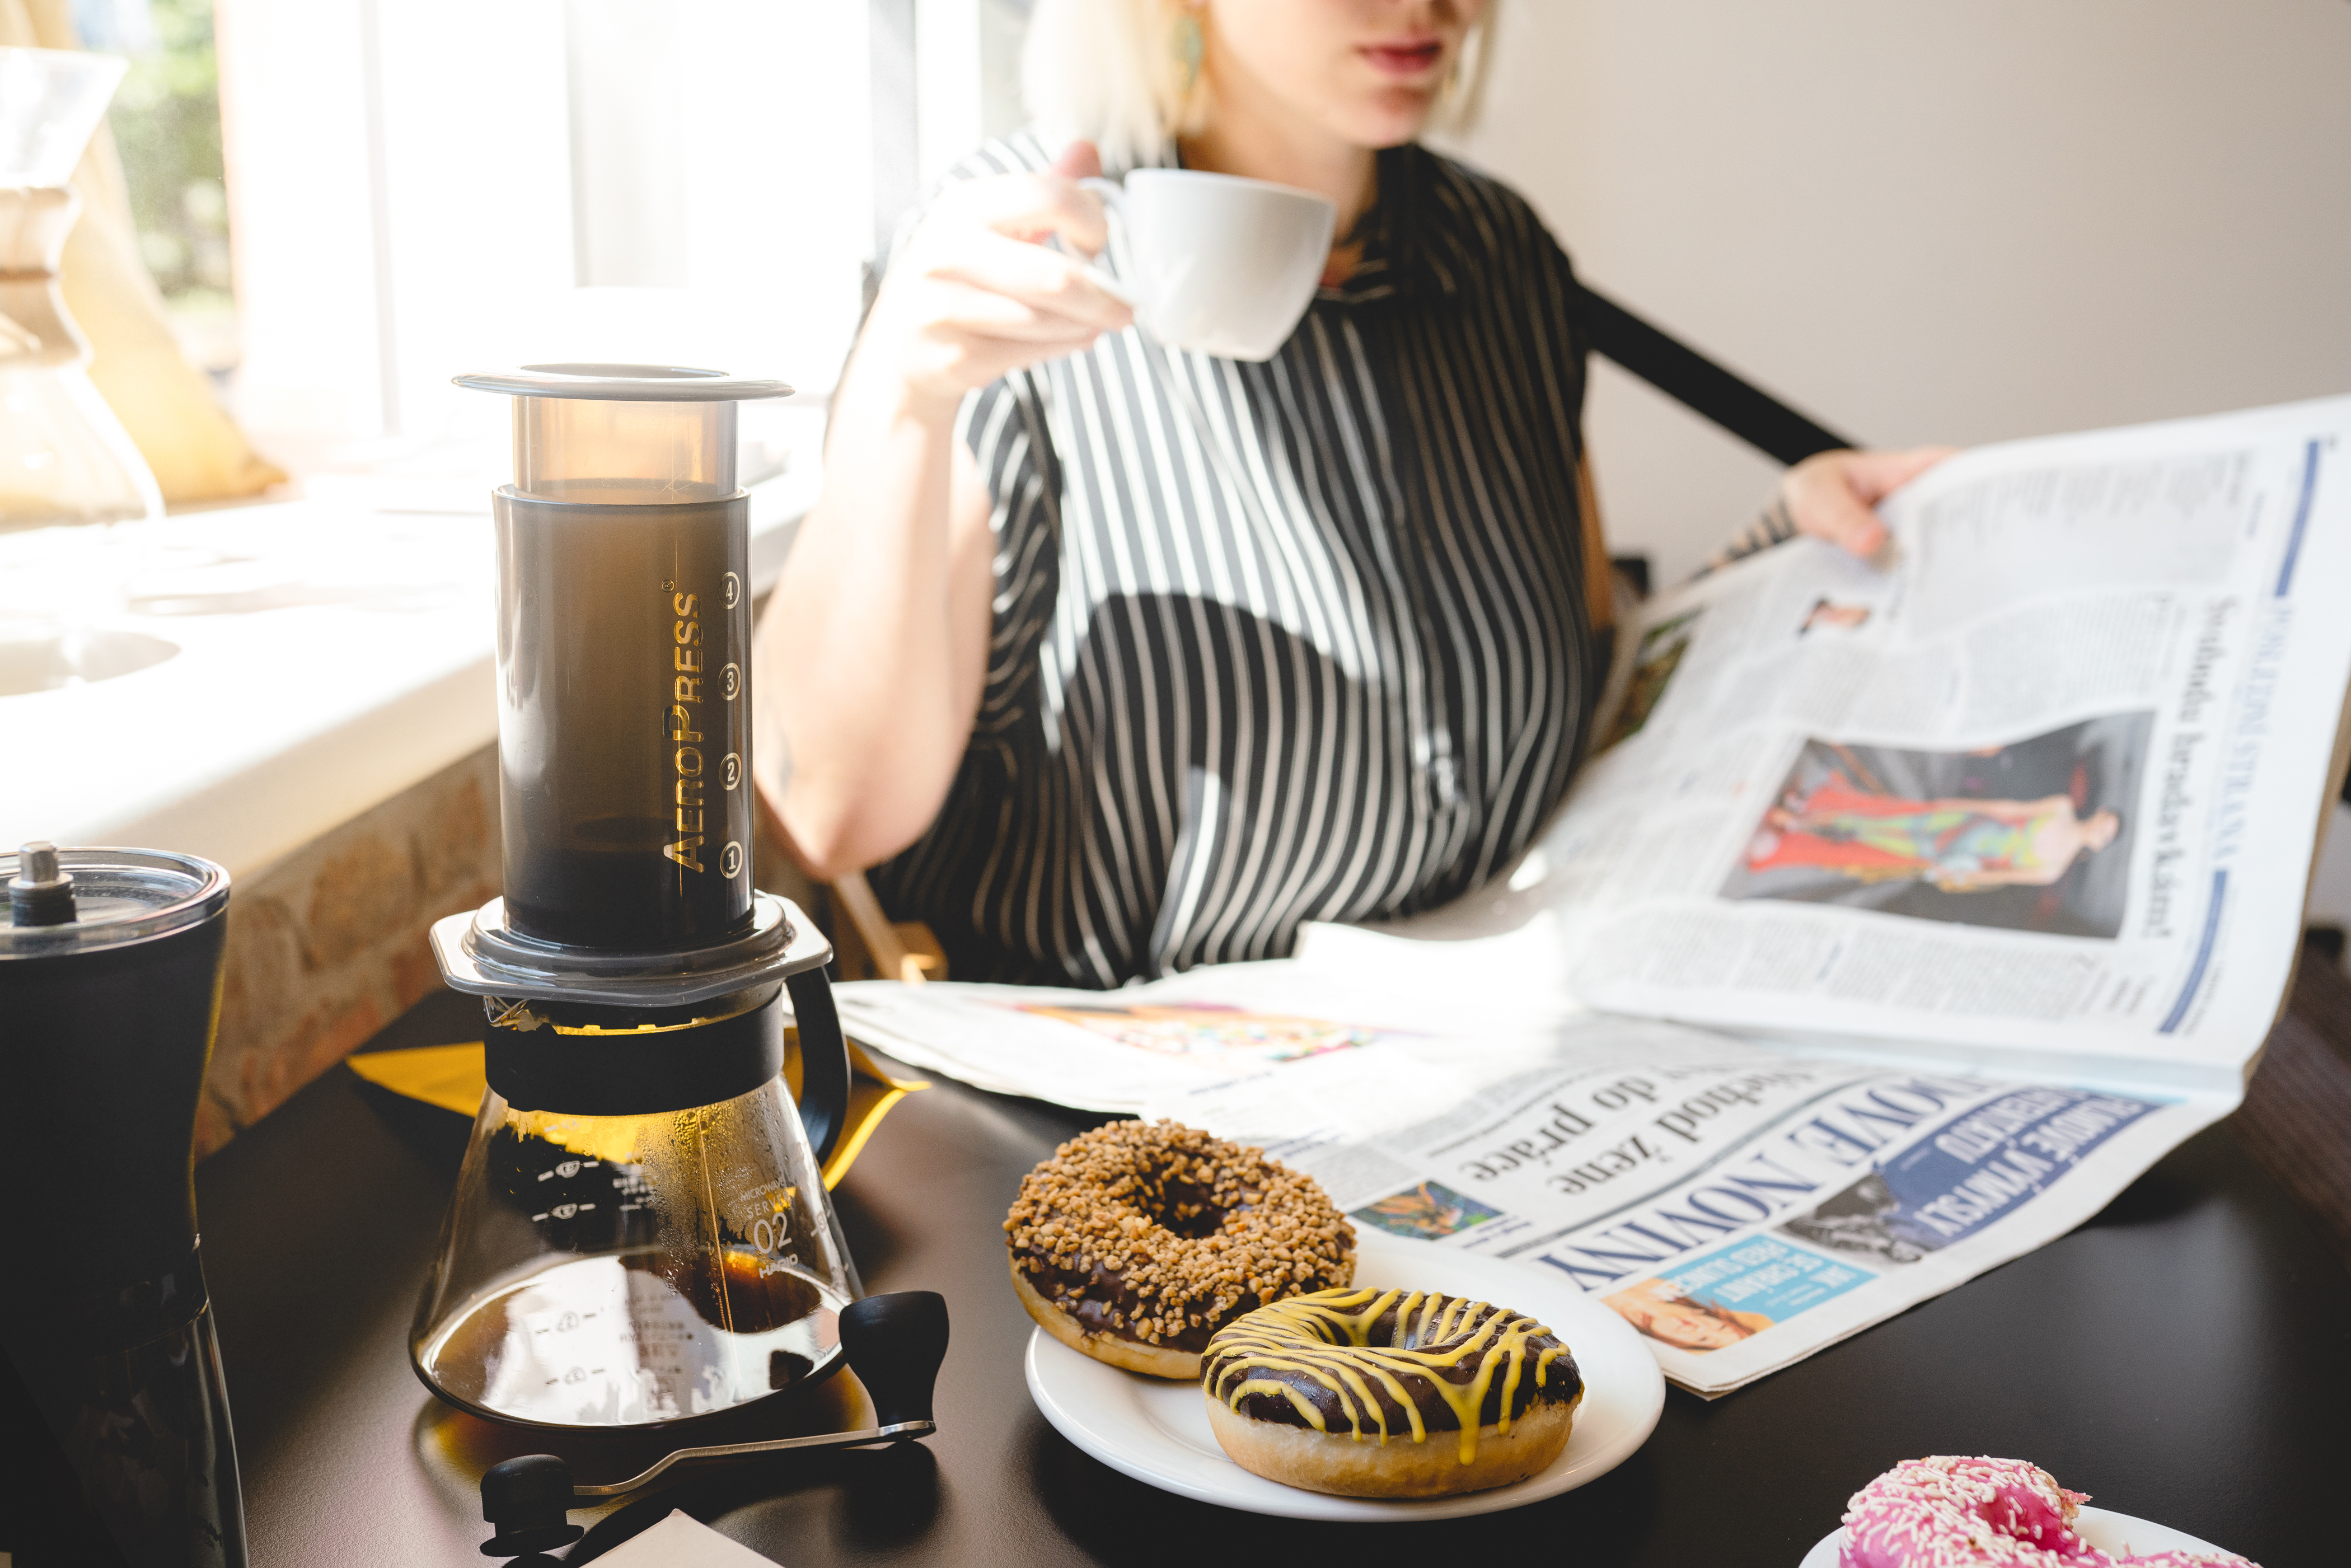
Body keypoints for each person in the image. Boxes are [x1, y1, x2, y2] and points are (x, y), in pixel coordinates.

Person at [755, 0, 1951, 986]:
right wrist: (905, 396)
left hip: (1491, 1043)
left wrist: (1782, 548)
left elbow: (1586, 690)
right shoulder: (1021, 254)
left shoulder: (1498, 256)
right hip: (1116, 1111)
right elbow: (833, 811)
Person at [1745, 771, 2124, 892]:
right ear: (2101, 813)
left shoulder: (2051, 869)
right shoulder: (2060, 807)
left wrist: (1954, 874)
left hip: (1954, 854)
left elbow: (1999, 875)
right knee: (1881, 817)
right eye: (2107, 824)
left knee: (1875, 846)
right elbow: (2010, 809)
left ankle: (1788, 840)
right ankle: (1803, 813)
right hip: (1959, 823)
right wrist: (1959, 807)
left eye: (2107, 837)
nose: (2101, 833)